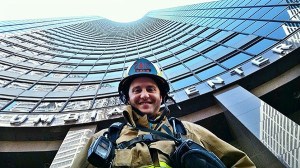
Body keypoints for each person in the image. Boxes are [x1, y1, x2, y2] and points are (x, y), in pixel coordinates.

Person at [72, 58, 255, 168]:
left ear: (161, 96)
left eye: (151, 89)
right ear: (128, 98)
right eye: (137, 90)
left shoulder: (189, 132)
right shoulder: (104, 139)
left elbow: (240, 163)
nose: (144, 95)